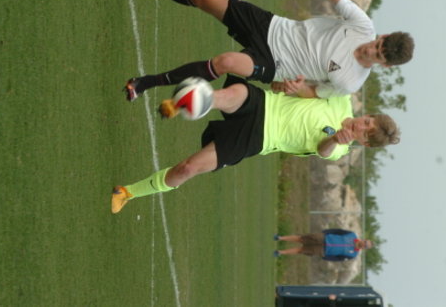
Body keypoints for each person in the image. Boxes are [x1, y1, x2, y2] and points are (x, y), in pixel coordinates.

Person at [116, 0, 414, 101]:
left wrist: (294, 88)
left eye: (378, 55)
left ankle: (145, 84)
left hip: (274, 64)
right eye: (378, 44)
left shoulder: (350, 83)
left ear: (384, 65)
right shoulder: (363, 24)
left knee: (225, 62)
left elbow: (314, 93)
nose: (370, 50)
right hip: (272, 27)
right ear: (383, 35)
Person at [111, 76, 400, 214]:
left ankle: (127, 192)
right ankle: (181, 104)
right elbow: (308, 90)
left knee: (187, 169)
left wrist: (336, 138)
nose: (361, 126)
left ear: (364, 142)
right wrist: (293, 85)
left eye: (365, 132)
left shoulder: (339, 149)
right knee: (226, 96)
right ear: (367, 116)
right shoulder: (341, 99)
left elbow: (324, 149)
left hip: (259, 139)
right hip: (263, 103)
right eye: (367, 121)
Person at [273, 229, 373, 260]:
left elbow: (338, 258)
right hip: (323, 238)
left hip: (323, 251)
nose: (364, 244)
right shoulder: (351, 234)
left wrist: (326, 257)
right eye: (365, 242)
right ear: (364, 240)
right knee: (301, 239)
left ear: (365, 249)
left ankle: (280, 252)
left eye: (366, 246)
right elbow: (337, 231)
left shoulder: (352, 255)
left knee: (301, 250)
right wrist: (325, 232)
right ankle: (280, 238)